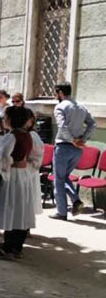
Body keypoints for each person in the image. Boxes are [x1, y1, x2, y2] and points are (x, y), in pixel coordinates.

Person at [0, 106, 36, 260]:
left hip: (12, 175)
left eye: (5, 118)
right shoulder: (27, 135)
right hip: (23, 175)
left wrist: (2, 170)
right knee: (20, 209)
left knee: (10, 208)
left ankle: (8, 248)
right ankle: (17, 246)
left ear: (11, 119)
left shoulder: (11, 136)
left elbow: (4, 157)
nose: (3, 120)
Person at [51, 82, 96, 220]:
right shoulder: (81, 106)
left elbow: (62, 127)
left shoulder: (60, 106)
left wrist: (73, 140)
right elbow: (92, 124)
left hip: (63, 147)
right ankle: (76, 201)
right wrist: (83, 139)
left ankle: (62, 212)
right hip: (77, 150)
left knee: (59, 180)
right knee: (64, 176)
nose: (55, 95)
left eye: (56, 92)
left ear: (60, 92)